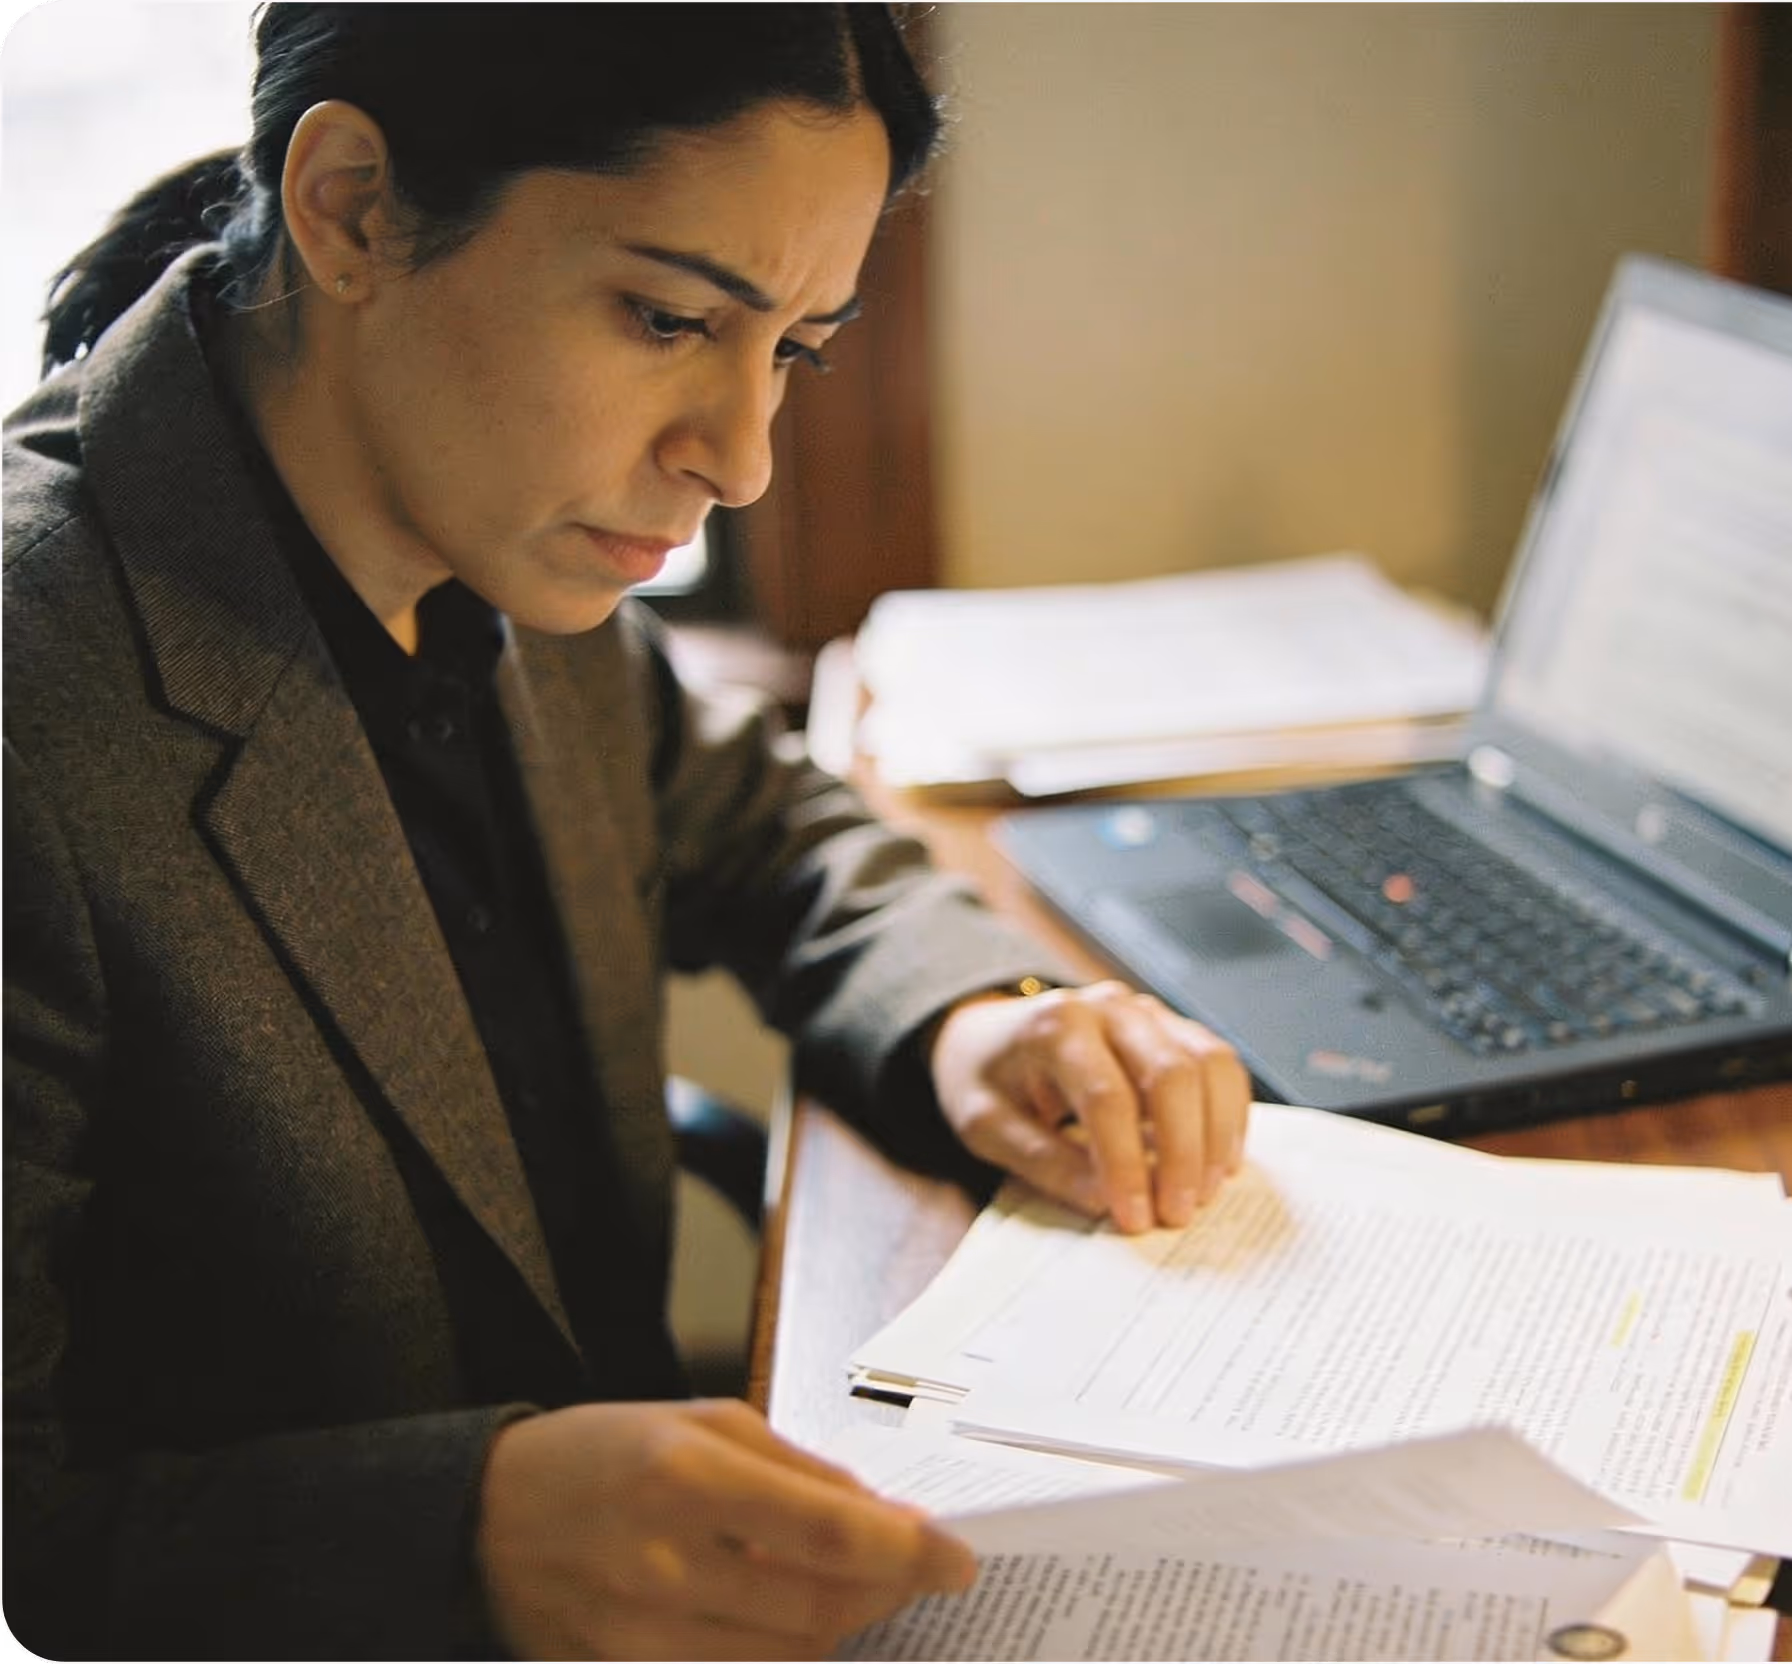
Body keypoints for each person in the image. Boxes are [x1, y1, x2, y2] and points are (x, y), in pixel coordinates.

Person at [1, 5, 1253, 1658]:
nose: (739, 461)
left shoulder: (489, 536)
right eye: (668, 317)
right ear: (354, 205)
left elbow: (769, 824)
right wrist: (458, 1532)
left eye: (795, 348)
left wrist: (973, 1023)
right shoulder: (41, 702)